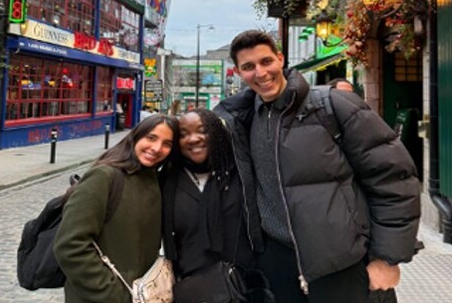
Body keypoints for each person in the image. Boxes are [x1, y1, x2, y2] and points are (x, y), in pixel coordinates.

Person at [214, 30, 420, 303]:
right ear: (238, 73)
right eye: (249, 67)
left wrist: (387, 257)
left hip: (340, 262)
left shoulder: (333, 106)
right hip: (277, 263)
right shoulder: (243, 119)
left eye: (266, 62)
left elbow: (394, 179)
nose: (261, 73)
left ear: (280, 58)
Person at [54, 114, 180, 302]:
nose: (156, 148)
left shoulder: (154, 180)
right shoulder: (105, 176)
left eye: (167, 144)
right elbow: (70, 245)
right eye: (151, 138)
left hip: (138, 294)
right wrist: (113, 294)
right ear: (136, 136)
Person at [160, 108, 274, 303]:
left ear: (217, 133)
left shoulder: (241, 172)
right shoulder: (167, 181)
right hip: (192, 290)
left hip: (243, 288)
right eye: (184, 134)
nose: (193, 139)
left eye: (202, 130)